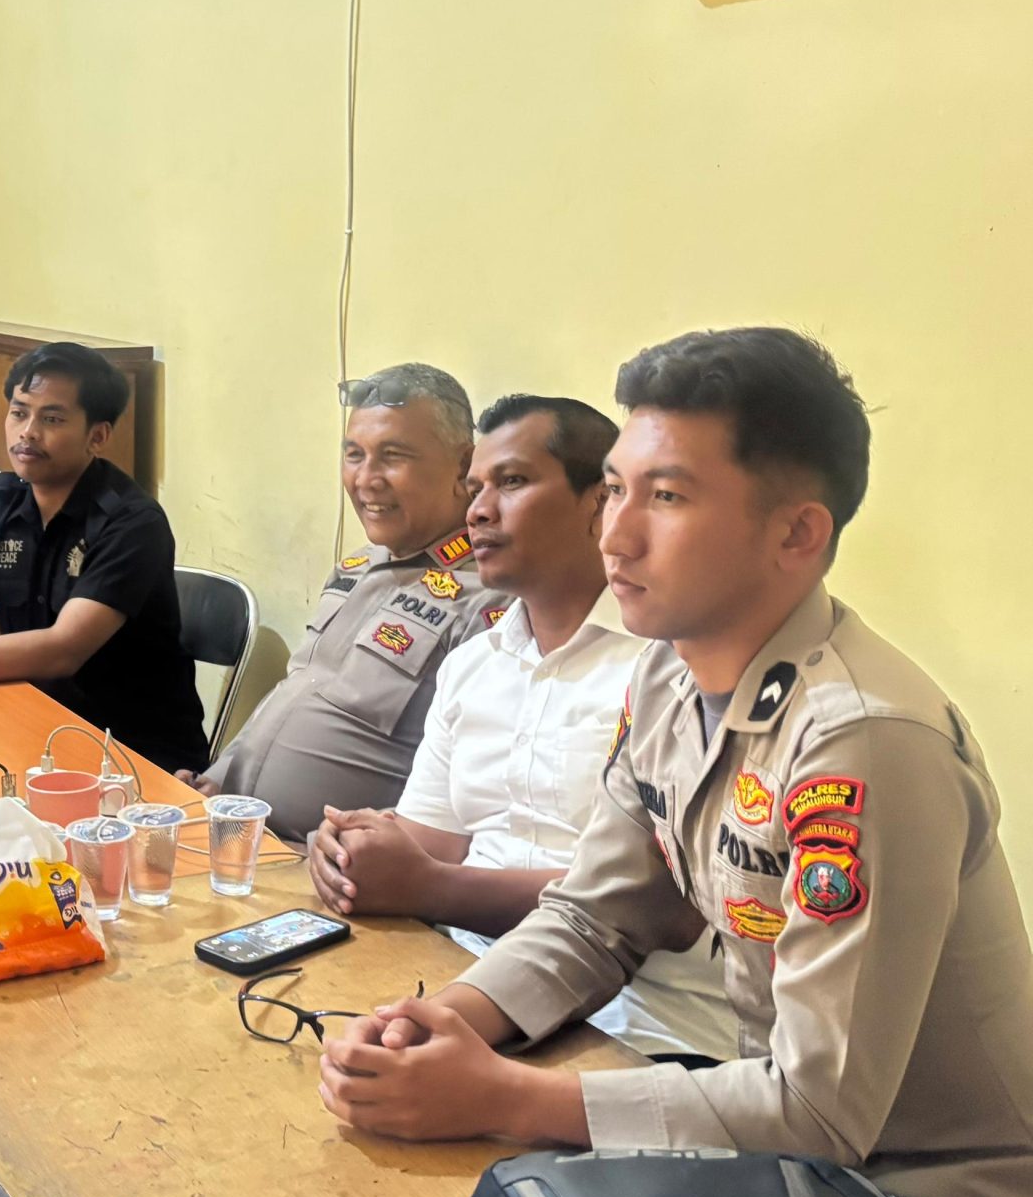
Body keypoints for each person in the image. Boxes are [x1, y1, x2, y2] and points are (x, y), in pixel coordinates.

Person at [315, 329, 1033, 1197]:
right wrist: (443, 1021)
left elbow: (818, 1110)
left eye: (667, 496)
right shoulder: (666, 675)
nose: (615, 533)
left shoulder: (861, 743)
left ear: (797, 533)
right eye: (616, 489)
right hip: (796, 1163)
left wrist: (505, 1096)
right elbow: (595, 916)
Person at [308, 394, 736, 1064]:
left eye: (511, 482)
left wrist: (431, 887)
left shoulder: (672, 671)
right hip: (459, 972)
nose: (478, 511)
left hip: (635, 1021)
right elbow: (431, 837)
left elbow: (655, 903)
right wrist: (350, 850)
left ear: (601, 502)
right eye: (474, 487)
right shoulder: (474, 664)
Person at [191, 364, 506, 840]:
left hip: (326, 861)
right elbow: (297, 688)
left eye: (393, 456)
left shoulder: (487, 598)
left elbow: (471, 794)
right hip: (232, 832)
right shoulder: (357, 566)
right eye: (354, 455)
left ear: (464, 465)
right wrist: (216, 779)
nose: (366, 479)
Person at [0, 342, 209, 771]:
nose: (27, 432)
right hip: (32, 726)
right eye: (19, 412)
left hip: (133, 754)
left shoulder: (132, 522)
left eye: (52, 419)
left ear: (97, 436)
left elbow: (63, 649)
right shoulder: (1, 502)